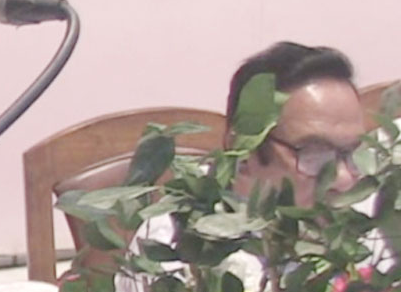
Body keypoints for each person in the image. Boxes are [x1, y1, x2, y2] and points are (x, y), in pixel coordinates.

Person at [118, 41, 376, 292]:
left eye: (353, 152)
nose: (344, 179)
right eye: (315, 153)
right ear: (243, 149)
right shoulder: (179, 247)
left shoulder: (368, 227)